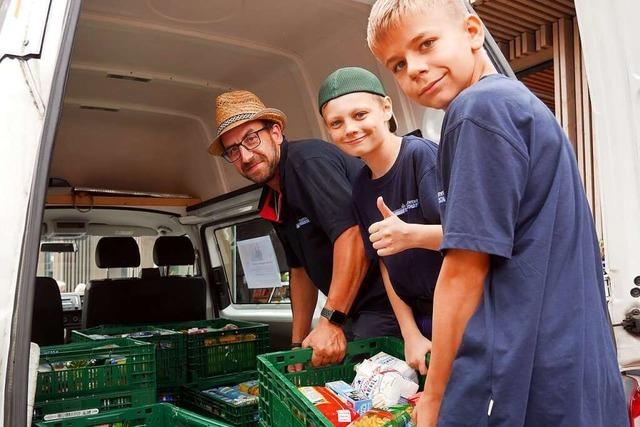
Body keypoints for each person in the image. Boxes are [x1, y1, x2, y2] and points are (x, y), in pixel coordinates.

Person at [366, 1, 627, 426]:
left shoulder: (477, 111)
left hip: (522, 372)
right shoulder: (514, 103)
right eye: (397, 64)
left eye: (426, 43)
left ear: (472, 31)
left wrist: (433, 398)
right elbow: (511, 236)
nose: (413, 68)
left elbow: (464, 269)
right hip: (569, 367)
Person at [208, 90, 399, 368]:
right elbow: (300, 271)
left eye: (251, 138)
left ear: (275, 132)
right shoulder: (273, 198)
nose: (246, 156)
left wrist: (331, 320)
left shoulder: (307, 162)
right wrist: (296, 347)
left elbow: (352, 236)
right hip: (352, 310)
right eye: (233, 151)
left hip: (384, 304)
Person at [317, 66, 442, 376]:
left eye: (360, 115)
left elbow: (472, 237)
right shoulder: (361, 185)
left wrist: (411, 235)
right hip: (422, 317)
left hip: (467, 310)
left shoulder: (421, 157)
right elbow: (384, 262)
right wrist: (411, 333)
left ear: (386, 108)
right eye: (337, 123)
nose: (350, 129)